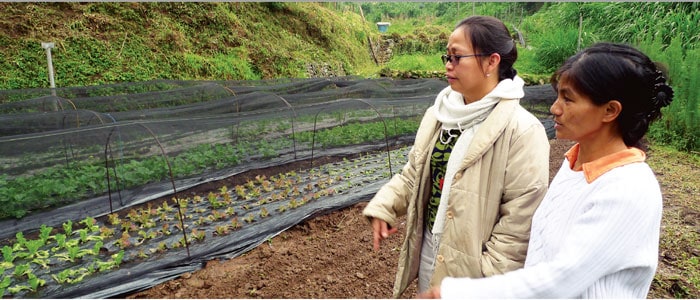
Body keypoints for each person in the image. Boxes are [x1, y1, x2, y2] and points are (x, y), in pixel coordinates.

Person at [417, 42, 675, 299]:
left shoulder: (628, 188)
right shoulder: (573, 166)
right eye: (557, 96)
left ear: (610, 110)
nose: (555, 108)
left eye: (568, 99)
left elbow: (561, 279)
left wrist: (457, 292)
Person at [362, 16, 550, 297]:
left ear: (491, 61)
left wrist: (486, 278)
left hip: (478, 269)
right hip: (431, 246)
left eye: (457, 57)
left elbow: (519, 221)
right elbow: (415, 173)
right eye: (446, 57)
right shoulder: (439, 114)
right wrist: (384, 205)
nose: (448, 65)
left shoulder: (521, 130)